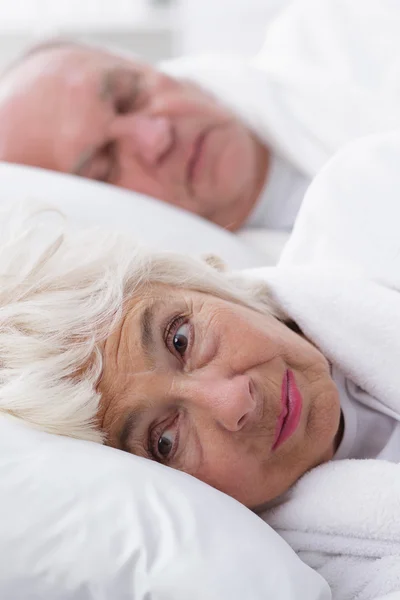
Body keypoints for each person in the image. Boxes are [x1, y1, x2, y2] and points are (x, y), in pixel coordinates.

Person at [1, 124, 400, 510]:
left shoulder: (371, 198)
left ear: (203, 284)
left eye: (181, 340)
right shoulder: (309, 575)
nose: (233, 402)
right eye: (165, 441)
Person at [1, 0, 400, 231]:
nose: (155, 136)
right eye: (105, 165)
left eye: (130, 95)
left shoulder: (347, 27)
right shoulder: (253, 335)